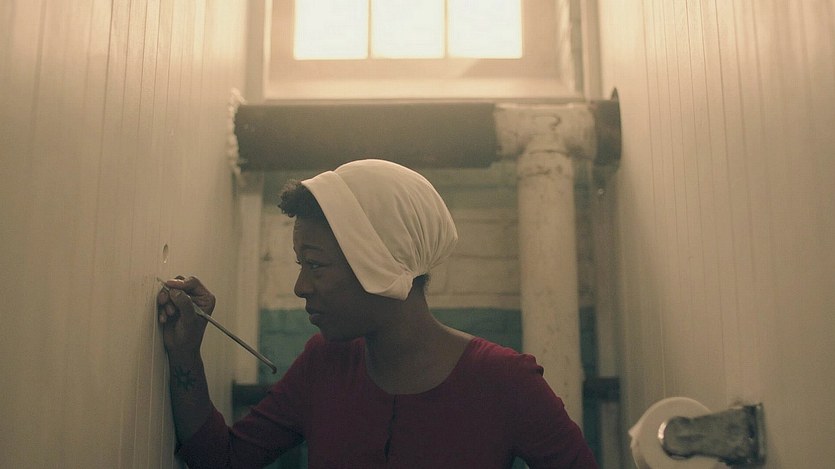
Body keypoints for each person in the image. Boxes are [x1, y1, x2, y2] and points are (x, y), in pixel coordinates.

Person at [157, 159, 598, 468]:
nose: (300, 287)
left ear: (381, 265)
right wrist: (185, 355)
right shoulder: (323, 364)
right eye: (300, 265)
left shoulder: (505, 382)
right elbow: (224, 459)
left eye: (316, 265)